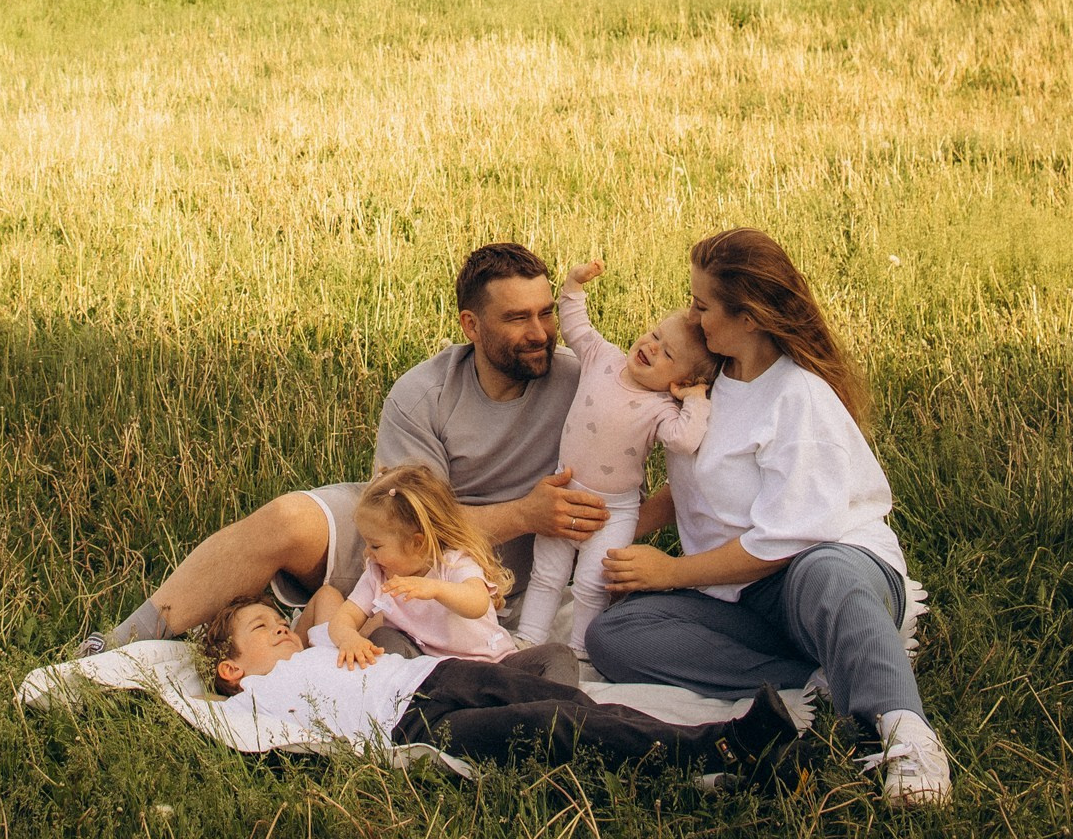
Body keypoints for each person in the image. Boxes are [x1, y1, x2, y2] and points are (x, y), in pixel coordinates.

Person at [585, 226, 953, 807]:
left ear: (748, 317)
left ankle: (906, 734)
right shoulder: (709, 382)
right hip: (744, 595)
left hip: (822, 569)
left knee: (824, 575)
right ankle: (816, 675)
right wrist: (608, 531)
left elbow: (783, 545)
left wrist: (669, 573)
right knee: (616, 633)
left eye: (702, 305)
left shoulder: (797, 397)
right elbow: (693, 490)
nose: (692, 315)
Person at [93, 243, 606, 651]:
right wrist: (525, 514)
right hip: (395, 541)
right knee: (286, 520)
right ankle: (120, 644)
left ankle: (296, 620)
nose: (540, 333)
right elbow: (411, 522)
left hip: (478, 573)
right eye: (518, 318)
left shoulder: (578, 380)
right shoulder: (423, 394)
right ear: (471, 326)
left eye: (545, 313)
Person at [200, 600, 803, 779]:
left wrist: (320, 627)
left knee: (572, 704)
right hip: (413, 730)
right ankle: (717, 747)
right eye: (260, 626)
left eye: (277, 619)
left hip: (430, 676)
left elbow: (329, 603)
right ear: (230, 668)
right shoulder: (253, 702)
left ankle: (719, 761)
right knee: (547, 726)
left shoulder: (321, 646)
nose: (280, 626)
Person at [514, 262, 716, 657]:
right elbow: (576, 326)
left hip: (616, 510)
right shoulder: (602, 357)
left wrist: (695, 402)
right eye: (655, 335)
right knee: (548, 573)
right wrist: (573, 287)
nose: (651, 347)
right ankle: (528, 640)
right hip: (565, 492)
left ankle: (581, 653)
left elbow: (685, 441)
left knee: (593, 582)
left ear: (682, 381)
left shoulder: (661, 408)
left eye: (667, 354)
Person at [313, 461, 517, 667]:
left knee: (549, 657)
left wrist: (435, 588)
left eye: (375, 546)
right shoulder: (379, 575)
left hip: (493, 664)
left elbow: (477, 603)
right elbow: (344, 617)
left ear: (417, 544)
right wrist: (349, 638)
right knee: (384, 636)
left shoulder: (453, 562)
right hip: (431, 671)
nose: (367, 553)